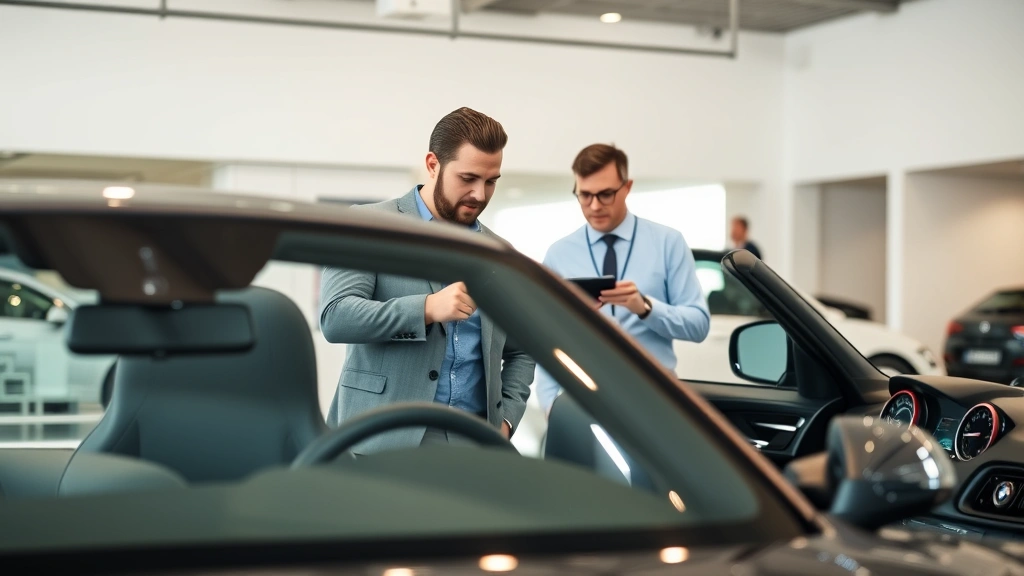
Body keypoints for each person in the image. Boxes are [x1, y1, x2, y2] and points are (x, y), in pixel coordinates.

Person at [319, 107, 534, 453]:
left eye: (491, 181)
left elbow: (522, 348)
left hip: (473, 447)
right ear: (433, 164)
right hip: (379, 442)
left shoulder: (499, 252)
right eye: (468, 178)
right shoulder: (368, 225)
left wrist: (506, 420)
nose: (480, 194)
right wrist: (427, 309)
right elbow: (336, 316)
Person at [535, 144, 710, 414]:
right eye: (584, 195)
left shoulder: (668, 243)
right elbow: (548, 338)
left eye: (605, 194)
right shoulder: (559, 254)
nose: (594, 206)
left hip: (656, 404)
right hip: (584, 404)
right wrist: (551, 407)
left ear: (627, 187)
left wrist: (646, 308)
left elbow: (698, 325)